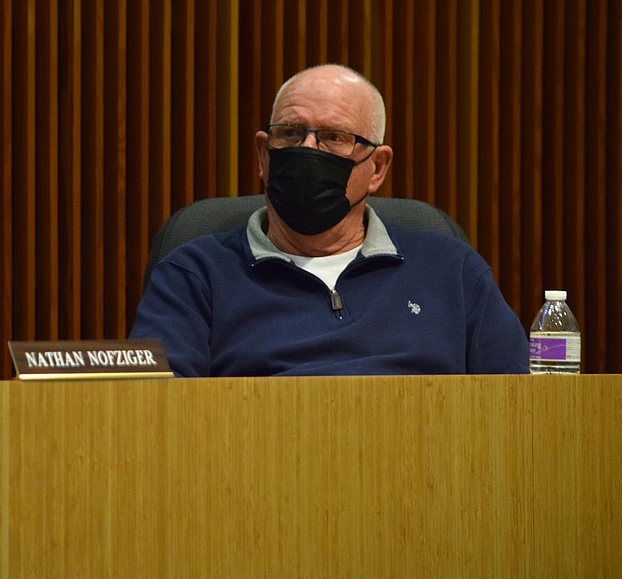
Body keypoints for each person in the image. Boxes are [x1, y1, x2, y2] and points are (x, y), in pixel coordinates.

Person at [130, 64, 528, 376]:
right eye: (290, 133)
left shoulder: (451, 272)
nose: (307, 151)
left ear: (377, 167)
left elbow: (521, 407)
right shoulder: (193, 276)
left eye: (333, 138)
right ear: (264, 157)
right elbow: (156, 417)